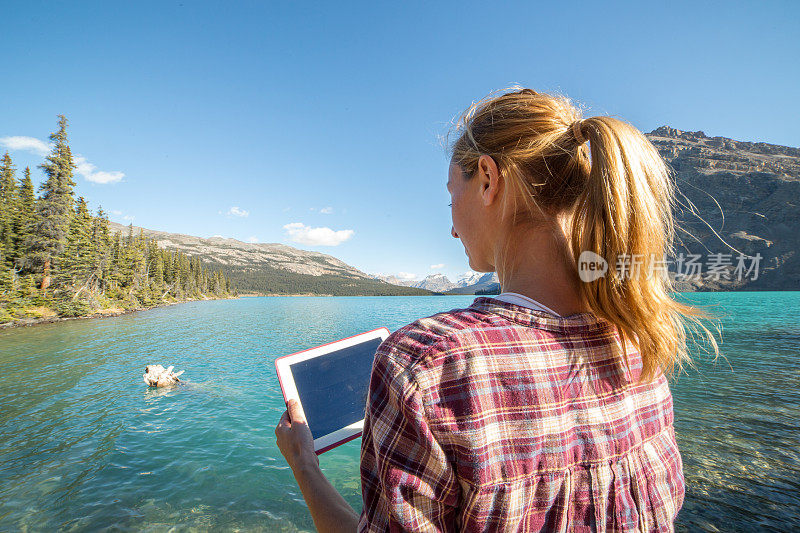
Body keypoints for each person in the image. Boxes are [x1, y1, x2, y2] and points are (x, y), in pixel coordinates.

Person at [275, 87, 719, 532]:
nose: (451, 227)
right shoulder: (639, 344)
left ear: (487, 178)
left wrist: (305, 466)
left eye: (452, 197)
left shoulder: (427, 364)